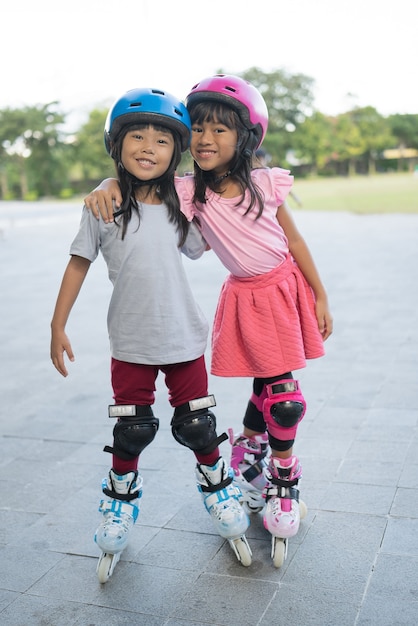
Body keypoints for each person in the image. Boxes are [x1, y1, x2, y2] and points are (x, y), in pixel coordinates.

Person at [84, 75, 333, 567]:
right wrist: (108, 181)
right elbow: (141, 181)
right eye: (197, 128)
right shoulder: (188, 192)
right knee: (270, 383)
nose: (204, 138)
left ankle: (283, 476)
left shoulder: (264, 183)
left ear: (245, 137)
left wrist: (320, 295)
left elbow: (296, 242)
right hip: (244, 296)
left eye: (219, 130)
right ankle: (251, 446)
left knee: (284, 400)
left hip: (283, 288)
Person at [50, 87, 252, 582]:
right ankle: (120, 503)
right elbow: (78, 263)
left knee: (198, 425)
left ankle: (219, 489)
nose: (147, 146)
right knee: (132, 429)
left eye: (161, 140)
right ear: (116, 146)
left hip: (183, 336)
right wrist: (58, 324)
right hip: (132, 342)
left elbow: (206, 238)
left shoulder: (183, 203)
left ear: (175, 152)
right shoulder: (104, 206)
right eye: (136, 136)